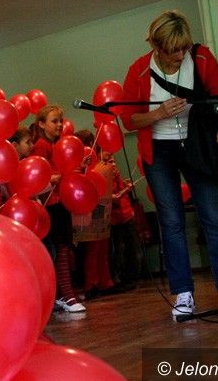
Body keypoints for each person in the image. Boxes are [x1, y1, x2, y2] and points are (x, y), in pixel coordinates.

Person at [120, 9, 218, 317]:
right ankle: (183, 293)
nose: (180, 55)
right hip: (159, 149)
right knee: (171, 221)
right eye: (173, 50)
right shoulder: (138, 70)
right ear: (156, 47)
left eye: (183, 48)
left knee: (212, 214)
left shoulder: (201, 58)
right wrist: (158, 113)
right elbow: (128, 120)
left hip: (197, 145)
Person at [31, 105, 85, 313]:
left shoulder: (56, 144)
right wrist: (58, 177)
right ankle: (66, 295)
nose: (60, 125)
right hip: (51, 203)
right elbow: (40, 176)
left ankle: (65, 293)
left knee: (64, 248)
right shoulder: (41, 146)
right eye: (54, 121)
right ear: (41, 124)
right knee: (60, 249)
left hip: (61, 200)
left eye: (61, 121)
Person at [74, 129, 116, 300]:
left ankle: (103, 281)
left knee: (100, 247)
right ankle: (93, 283)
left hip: (99, 205)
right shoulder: (84, 162)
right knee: (96, 248)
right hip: (92, 207)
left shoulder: (95, 161)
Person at [103, 151, 142, 292]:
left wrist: (125, 186)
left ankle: (131, 278)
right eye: (109, 162)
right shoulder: (104, 178)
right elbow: (112, 198)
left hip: (127, 215)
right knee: (118, 250)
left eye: (114, 161)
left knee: (133, 249)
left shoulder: (117, 175)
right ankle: (119, 279)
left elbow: (121, 194)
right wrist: (125, 190)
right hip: (115, 219)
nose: (113, 164)